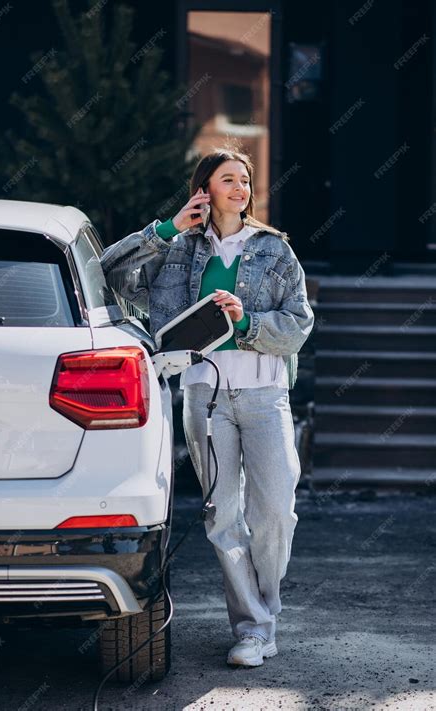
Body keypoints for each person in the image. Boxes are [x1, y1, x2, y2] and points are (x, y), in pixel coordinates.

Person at [100, 147, 315, 668]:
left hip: (264, 396)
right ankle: (254, 629)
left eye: (245, 179)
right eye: (228, 179)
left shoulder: (273, 250)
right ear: (205, 189)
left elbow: (300, 324)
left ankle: (265, 609)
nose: (240, 188)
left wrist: (246, 322)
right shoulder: (176, 250)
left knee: (276, 513)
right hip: (205, 396)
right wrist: (166, 230)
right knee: (224, 516)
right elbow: (108, 272)